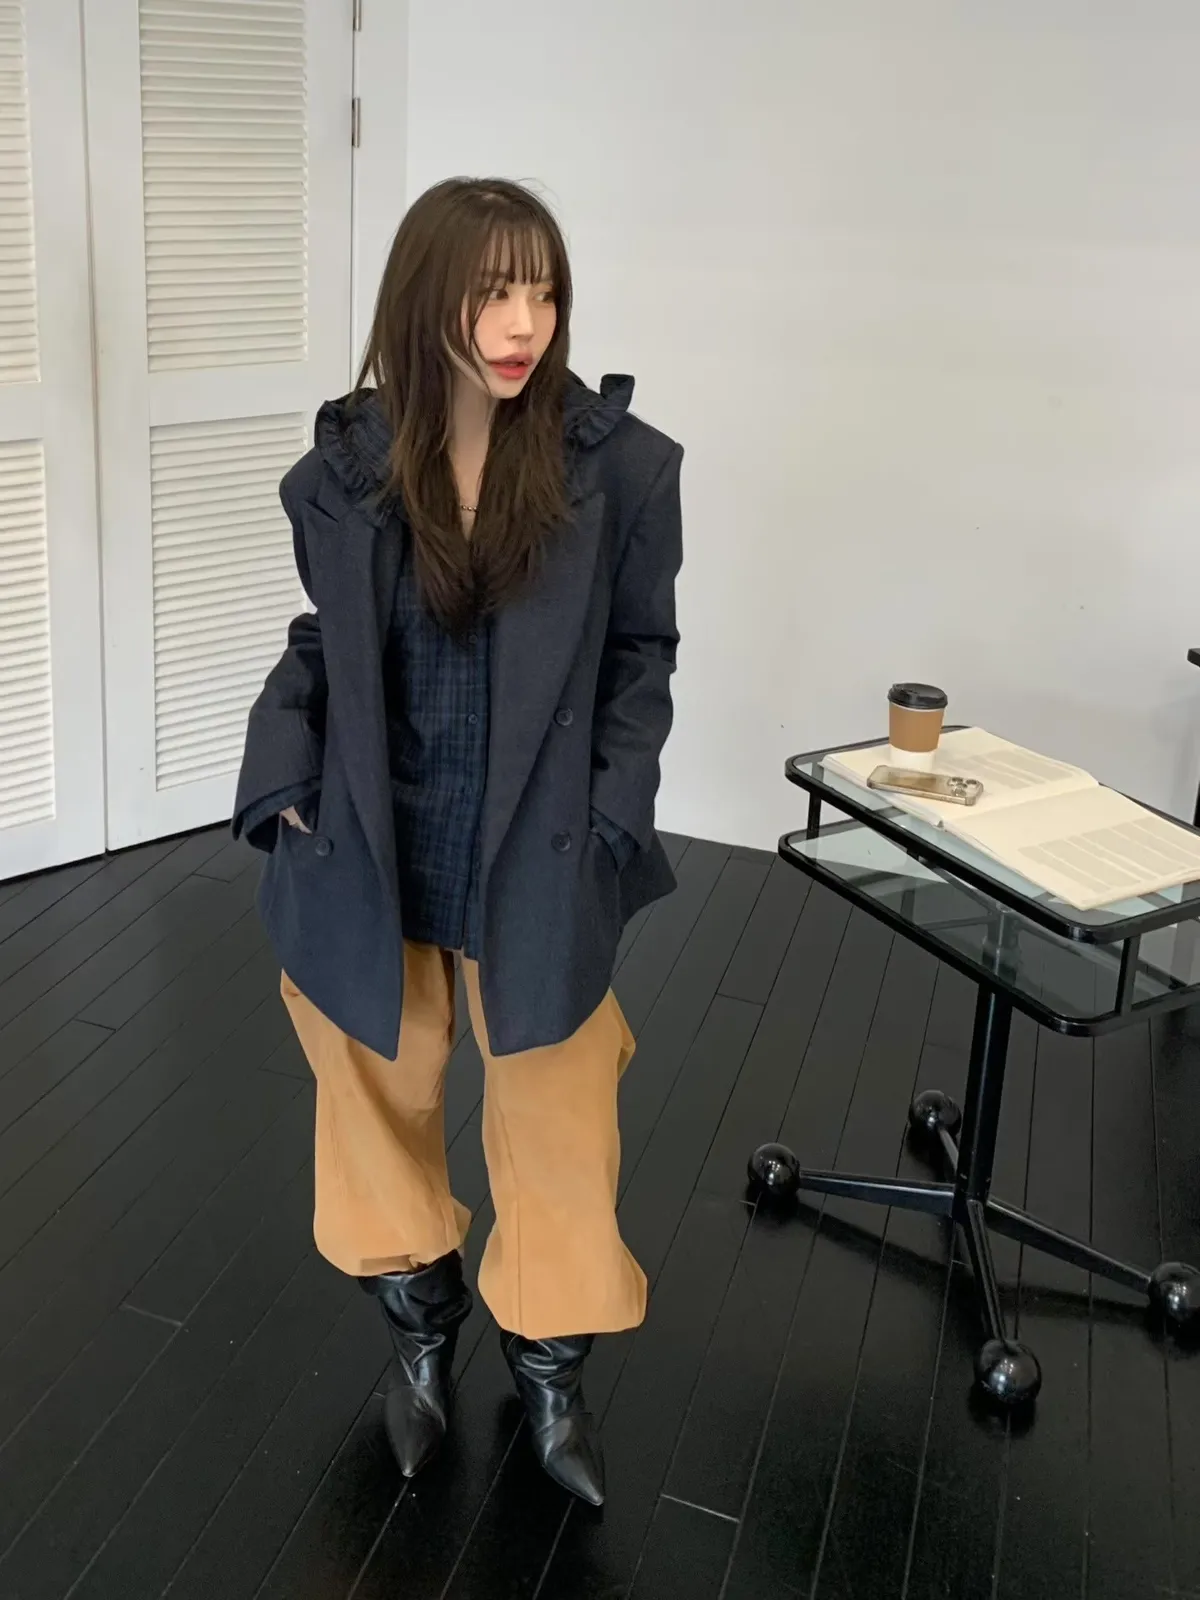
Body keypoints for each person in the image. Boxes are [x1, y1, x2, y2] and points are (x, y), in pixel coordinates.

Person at [233, 178, 683, 1507]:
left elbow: (641, 656)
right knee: (372, 1082)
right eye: (492, 292)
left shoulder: (621, 467)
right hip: (380, 826)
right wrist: (286, 772)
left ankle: (549, 1371)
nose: (523, 323)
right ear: (424, 299)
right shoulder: (346, 471)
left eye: (543, 290)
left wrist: (615, 812)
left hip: (538, 840)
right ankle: (420, 1335)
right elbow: (320, 641)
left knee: (558, 1103)